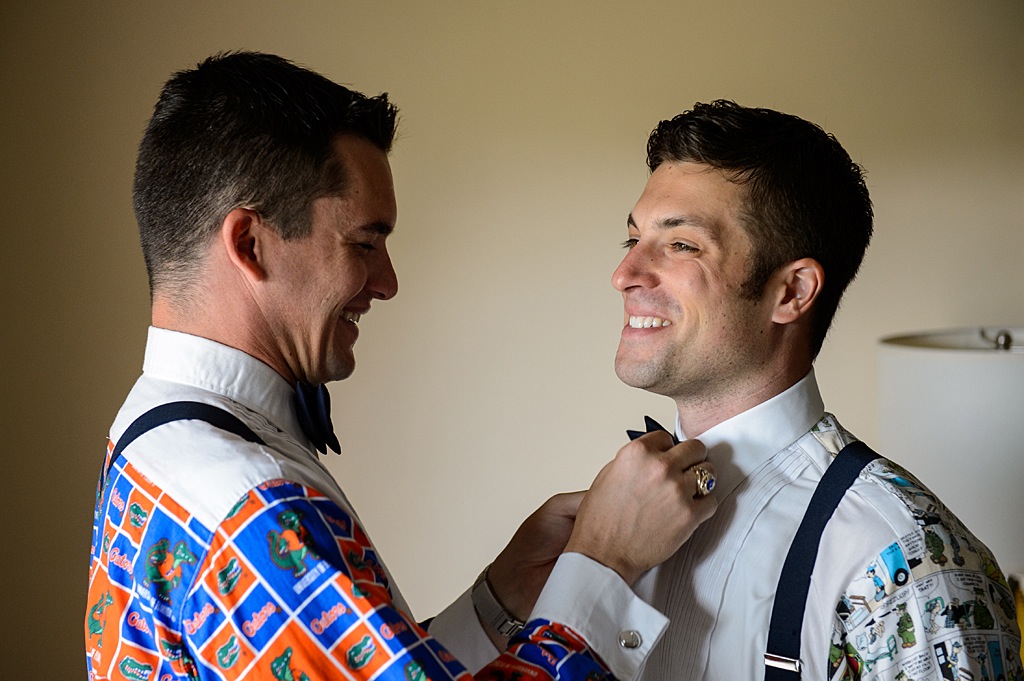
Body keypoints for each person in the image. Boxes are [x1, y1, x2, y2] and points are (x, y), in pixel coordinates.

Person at [84, 52, 719, 681]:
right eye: (364, 243)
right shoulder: (250, 508)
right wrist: (602, 569)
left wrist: (498, 602)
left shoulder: (156, 435)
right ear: (250, 244)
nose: (386, 283)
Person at [610, 100, 1021, 681]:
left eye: (681, 245)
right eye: (632, 241)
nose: (625, 275)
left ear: (792, 292)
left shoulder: (906, 557)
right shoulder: (613, 522)